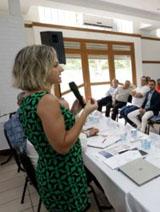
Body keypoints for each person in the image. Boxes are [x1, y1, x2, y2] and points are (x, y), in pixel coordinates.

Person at [13, 45, 97, 211]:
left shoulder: (28, 99)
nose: (61, 68)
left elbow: (49, 133)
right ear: (39, 69)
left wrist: (73, 112)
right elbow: (63, 146)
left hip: (50, 170)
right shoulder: (46, 100)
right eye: (55, 64)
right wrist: (85, 114)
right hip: (63, 172)